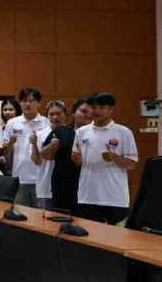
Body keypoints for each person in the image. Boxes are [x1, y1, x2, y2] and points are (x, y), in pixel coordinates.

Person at [72, 92, 138, 225]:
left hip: (115, 198)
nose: (97, 111)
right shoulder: (81, 132)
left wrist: (115, 158)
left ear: (111, 109)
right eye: (93, 107)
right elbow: (79, 161)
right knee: (89, 235)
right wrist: (77, 160)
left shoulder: (123, 132)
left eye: (101, 107)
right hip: (87, 196)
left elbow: (132, 164)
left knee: (116, 236)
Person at [2, 88, 49, 204]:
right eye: (24, 101)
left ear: (39, 103)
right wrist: (11, 143)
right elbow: (5, 150)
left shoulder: (46, 122)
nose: (27, 104)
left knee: (40, 214)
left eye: (31, 101)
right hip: (19, 178)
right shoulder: (12, 123)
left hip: (41, 178)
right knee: (20, 212)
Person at [31, 100, 67, 208]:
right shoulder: (40, 134)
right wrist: (34, 144)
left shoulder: (71, 133)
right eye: (51, 114)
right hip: (45, 186)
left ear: (65, 114)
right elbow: (37, 161)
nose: (55, 117)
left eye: (58, 113)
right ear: (47, 116)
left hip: (66, 186)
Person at [0, 97, 22, 175]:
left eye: (11, 109)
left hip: (21, 163)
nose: (7, 112)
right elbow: (0, 145)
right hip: (6, 165)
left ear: (17, 110)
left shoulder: (22, 125)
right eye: (5, 110)